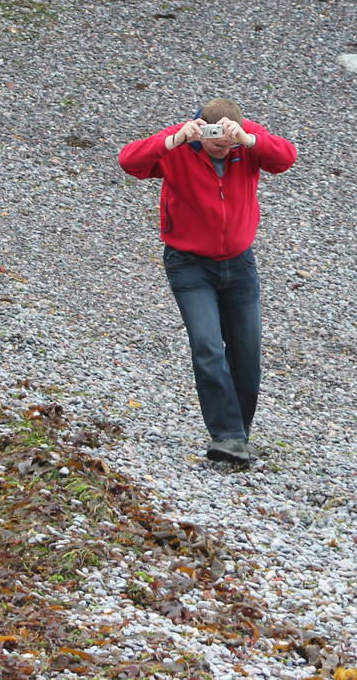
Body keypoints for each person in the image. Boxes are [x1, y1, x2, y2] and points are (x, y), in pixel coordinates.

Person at [118, 99, 298, 464]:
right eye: (216, 141)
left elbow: (286, 158)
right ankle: (227, 435)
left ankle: (238, 435)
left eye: (227, 141)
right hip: (188, 265)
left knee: (246, 352)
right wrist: (173, 139)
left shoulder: (245, 143)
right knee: (207, 346)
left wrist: (248, 141)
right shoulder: (180, 146)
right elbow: (129, 161)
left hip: (240, 265)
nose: (222, 147)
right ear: (202, 128)